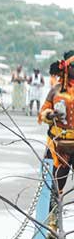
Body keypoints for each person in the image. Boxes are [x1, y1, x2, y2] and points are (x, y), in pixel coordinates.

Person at [40, 53, 74, 194]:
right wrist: (50, 114)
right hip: (58, 144)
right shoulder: (56, 90)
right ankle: (52, 213)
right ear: (66, 68)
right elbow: (43, 112)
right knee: (54, 184)